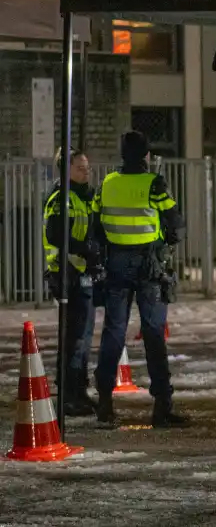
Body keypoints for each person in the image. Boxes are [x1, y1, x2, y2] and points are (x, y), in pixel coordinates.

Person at [92, 131, 188, 428]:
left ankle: (105, 403)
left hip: (117, 264)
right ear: (146, 156)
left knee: (114, 332)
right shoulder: (154, 183)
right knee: (153, 333)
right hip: (149, 266)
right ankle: (162, 406)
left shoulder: (108, 183)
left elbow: (96, 224)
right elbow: (175, 220)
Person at [43, 146, 101, 416]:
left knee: (84, 336)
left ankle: (79, 390)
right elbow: (57, 236)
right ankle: (67, 395)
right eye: (80, 167)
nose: (86, 171)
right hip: (67, 274)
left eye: (87, 167)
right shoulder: (61, 199)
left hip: (82, 273)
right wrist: (86, 248)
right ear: (66, 170)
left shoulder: (83, 198)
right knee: (74, 338)